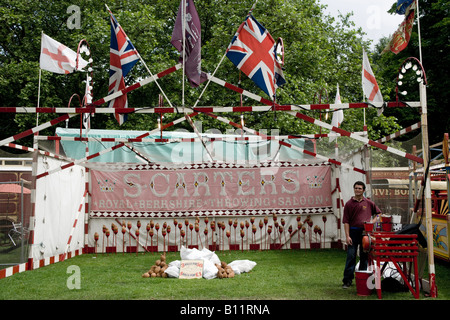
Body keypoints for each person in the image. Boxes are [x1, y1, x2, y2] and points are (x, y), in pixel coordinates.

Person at [342, 181, 381, 289]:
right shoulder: (349, 204)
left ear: (363, 190)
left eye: (360, 188)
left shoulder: (369, 203)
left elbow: (379, 214)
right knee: (351, 256)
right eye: (356, 188)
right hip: (353, 232)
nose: (357, 190)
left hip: (365, 233)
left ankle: (363, 279)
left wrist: (372, 222)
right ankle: (347, 280)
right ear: (354, 189)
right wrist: (347, 236)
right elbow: (346, 221)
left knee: (364, 256)